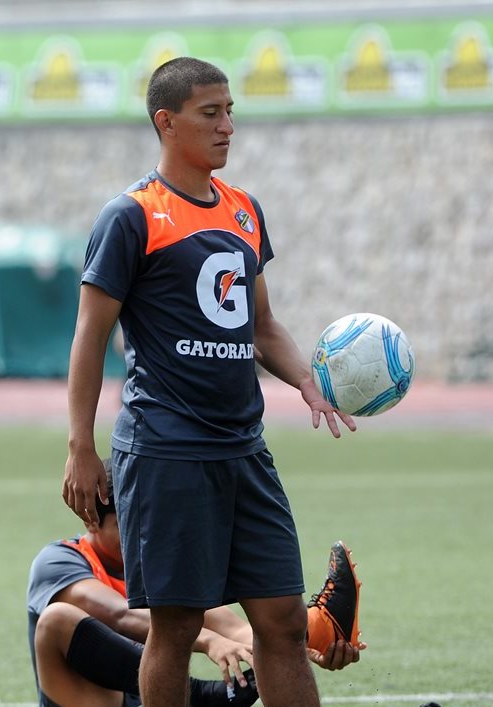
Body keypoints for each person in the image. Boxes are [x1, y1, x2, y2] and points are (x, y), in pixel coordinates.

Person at [63, 56, 361, 707]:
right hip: (165, 449)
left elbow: (262, 325)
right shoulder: (131, 215)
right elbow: (88, 338)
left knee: (281, 620)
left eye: (230, 111)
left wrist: (306, 382)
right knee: (175, 626)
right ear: (166, 122)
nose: (227, 126)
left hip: (242, 449)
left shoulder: (243, 210)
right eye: (211, 113)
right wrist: (80, 446)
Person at [30, 460, 364, 707]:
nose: (144, 536)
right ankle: (205, 696)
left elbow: (231, 628)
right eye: (129, 525)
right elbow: (119, 615)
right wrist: (207, 642)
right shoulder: (60, 559)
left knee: (196, 610)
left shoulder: (154, 561)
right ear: (92, 519)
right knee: (57, 619)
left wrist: (301, 646)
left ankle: (314, 630)